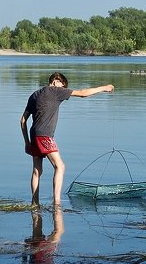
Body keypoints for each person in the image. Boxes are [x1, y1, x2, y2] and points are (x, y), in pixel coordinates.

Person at [20, 71, 114, 206]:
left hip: (34, 135)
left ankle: (35, 202)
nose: (63, 89)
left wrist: (27, 143)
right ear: (55, 81)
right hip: (45, 135)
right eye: (62, 85)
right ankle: (56, 202)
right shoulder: (55, 91)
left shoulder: (34, 95)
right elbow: (83, 93)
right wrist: (104, 88)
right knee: (60, 166)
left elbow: (23, 120)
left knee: (37, 171)